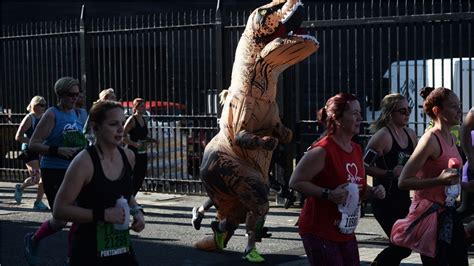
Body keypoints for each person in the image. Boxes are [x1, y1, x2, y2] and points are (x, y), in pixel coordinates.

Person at [289, 92, 386, 266]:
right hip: (319, 229)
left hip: (345, 230)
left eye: (360, 113)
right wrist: (328, 194)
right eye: (354, 113)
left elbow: (357, 187)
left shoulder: (356, 148)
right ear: (337, 118)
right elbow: (295, 181)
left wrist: (373, 192)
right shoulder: (323, 149)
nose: (360, 118)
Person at [53, 100, 145, 265]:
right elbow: (59, 209)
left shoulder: (128, 157)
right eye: (113, 124)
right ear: (96, 127)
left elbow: (126, 194)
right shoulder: (83, 162)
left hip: (121, 247)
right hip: (88, 249)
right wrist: (102, 215)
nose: (120, 129)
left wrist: (137, 211)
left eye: (122, 123)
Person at [391, 87, 467, 265]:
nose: (459, 110)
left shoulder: (451, 137)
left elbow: (449, 179)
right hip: (430, 215)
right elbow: (403, 181)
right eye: (454, 106)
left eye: (460, 105)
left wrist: (465, 186)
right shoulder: (430, 140)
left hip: (448, 212)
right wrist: (438, 180)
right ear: (437, 111)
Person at [24, 77, 87, 265]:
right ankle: (33, 239)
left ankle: (72, 258)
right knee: (60, 221)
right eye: (71, 95)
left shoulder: (79, 114)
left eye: (77, 94)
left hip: (75, 170)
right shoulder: (52, 114)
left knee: (80, 216)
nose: (75, 98)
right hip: (54, 170)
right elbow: (33, 144)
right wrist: (56, 150)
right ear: (60, 95)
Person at [365, 93, 418, 265]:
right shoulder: (382, 137)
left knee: (403, 243)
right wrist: (389, 173)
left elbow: (417, 162)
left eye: (408, 109)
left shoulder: (410, 134)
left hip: (403, 198)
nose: (407, 114)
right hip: (384, 199)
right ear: (390, 113)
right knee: (401, 244)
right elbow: (363, 166)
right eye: (402, 111)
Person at [13, 96, 49, 210]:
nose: (44, 108)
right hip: (29, 150)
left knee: (44, 178)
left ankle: (38, 202)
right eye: (42, 105)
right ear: (35, 106)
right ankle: (21, 187)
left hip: (41, 150)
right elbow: (18, 137)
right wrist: (33, 142)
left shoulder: (44, 117)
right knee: (36, 178)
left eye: (45, 105)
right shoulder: (29, 118)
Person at [123, 98, 158, 196]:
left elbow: (143, 136)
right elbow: (122, 136)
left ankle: (132, 197)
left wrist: (153, 140)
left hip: (142, 151)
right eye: (142, 106)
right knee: (133, 175)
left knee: (141, 175)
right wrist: (134, 144)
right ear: (135, 107)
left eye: (144, 106)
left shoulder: (144, 119)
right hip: (133, 151)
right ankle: (129, 198)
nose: (144, 108)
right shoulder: (132, 120)